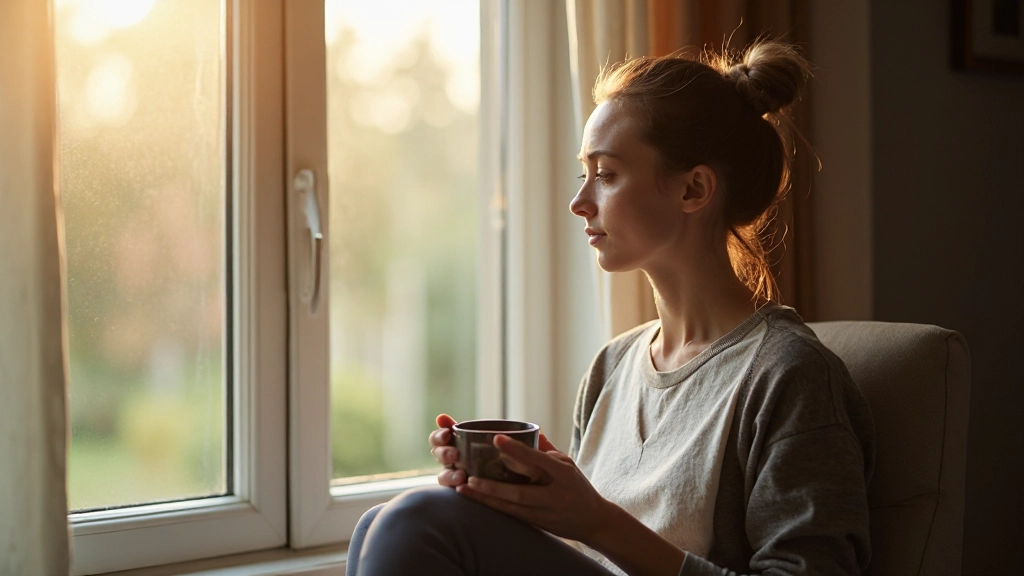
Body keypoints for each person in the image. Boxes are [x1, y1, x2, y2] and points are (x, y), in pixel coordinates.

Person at [345, 39, 875, 576]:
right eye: (585, 173)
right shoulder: (611, 368)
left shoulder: (789, 375)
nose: (579, 202)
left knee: (415, 521)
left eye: (606, 174)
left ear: (693, 189)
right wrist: (528, 497)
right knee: (379, 524)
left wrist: (598, 521)